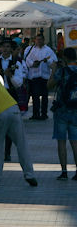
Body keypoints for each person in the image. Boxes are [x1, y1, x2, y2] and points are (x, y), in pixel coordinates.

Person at [48, 48, 77, 180]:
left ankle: (64, 171)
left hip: (61, 110)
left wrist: (53, 70)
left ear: (64, 57)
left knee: (61, 141)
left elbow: (49, 85)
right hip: (75, 110)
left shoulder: (62, 71)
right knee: (75, 141)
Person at [25, 33, 57, 120]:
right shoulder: (31, 49)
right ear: (35, 40)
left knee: (44, 96)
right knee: (35, 96)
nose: (38, 41)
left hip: (45, 76)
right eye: (37, 39)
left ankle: (44, 113)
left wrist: (47, 61)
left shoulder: (48, 50)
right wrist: (33, 64)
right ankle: (35, 113)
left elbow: (54, 60)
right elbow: (27, 60)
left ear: (43, 40)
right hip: (34, 75)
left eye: (40, 40)